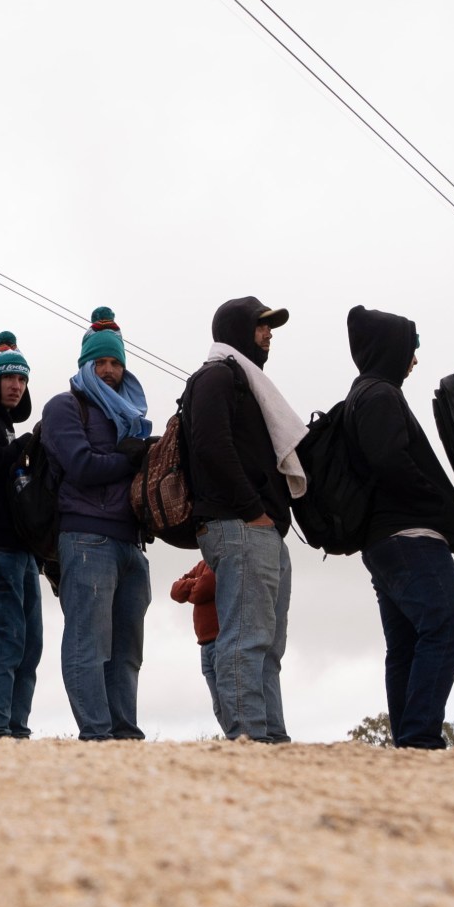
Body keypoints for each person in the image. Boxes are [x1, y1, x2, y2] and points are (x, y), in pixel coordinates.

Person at [343, 306, 454, 750]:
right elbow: (389, 461)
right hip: (410, 537)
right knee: (447, 630)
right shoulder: (379, 395)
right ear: (391, 349)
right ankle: (419, 737)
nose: (414, 360)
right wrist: (439, 506)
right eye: (410, 349)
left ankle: (408, 742)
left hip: (383, 540)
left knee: (407, 643)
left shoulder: (367, 393)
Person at [184, 296, 305, 743]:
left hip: (262, 528)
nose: (268, 334)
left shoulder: (245, 381)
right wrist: (253, 510)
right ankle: (249, 741)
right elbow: (210, 446)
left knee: (268, 646)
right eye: (261, 326)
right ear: (237, 329)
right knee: (246, 640)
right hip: (240, 525)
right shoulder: (217, 376)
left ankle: (272, 739)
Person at [42, 308, 153, 741]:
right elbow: (81, 465)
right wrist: (133, 456)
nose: (108, 371)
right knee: (89, 645)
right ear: (85, 364)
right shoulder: (64, 407)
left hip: (132, 543)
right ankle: (96, 735)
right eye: (100, 363)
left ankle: (124, 734)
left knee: (127, 652)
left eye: (115, 362)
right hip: (85, 536)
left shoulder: (131, 413)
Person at [0, 334, 41, 739]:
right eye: (9, 378)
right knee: (7, 638)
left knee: (31, 644)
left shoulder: (10, 426)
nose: (16, 385)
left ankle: (17, 729)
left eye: (23, 378)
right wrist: (23, 449)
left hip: (25, 550)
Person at [168, 560, 227, 736]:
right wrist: (197, 583)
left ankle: (244, 743)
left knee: (230, 701)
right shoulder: (203, 563)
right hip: (205, 644)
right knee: (219, 706)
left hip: (221, 642)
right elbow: (175, 591)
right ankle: (235, 743)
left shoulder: (219, 559)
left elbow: (206, 587)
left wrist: (193, 587)